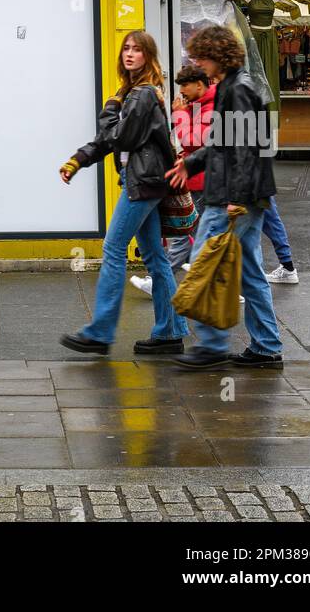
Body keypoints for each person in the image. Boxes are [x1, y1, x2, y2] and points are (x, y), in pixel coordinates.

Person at [58, 31, 189, 356]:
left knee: (114, 248)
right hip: (145, 181)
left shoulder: (142, 95)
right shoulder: (130, 94)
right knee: (157, 259)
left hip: (143, 183)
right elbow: (109, 139)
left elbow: (123, 137)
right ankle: (170, 332)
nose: (130, 54)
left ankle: (101, 332)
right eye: (126, 49)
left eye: (137, 50)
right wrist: (78, 160)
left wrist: (109, 110)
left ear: (148, 56)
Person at [167, 24, 283, 370]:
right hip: (243, 194)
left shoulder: (237, 90)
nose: (198, 63)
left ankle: (213, 345)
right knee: (249, 272)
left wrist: (236, 198)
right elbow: (222, 141)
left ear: (218, 56)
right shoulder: (235, 86)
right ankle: (266, 347)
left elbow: (245, 147)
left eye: (201, 56)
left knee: (206, 263)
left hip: (232, 197)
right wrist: (191, 163)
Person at [130, 64, 214, 296]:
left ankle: (161, 282)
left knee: (189, 234)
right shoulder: (199, 104)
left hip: (203, 181)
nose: (182, 92)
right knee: (191, 233)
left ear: (200, 84)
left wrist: (179, 114)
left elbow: (193, 142)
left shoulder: (209, 106)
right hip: (198, 179)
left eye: (185, 86)